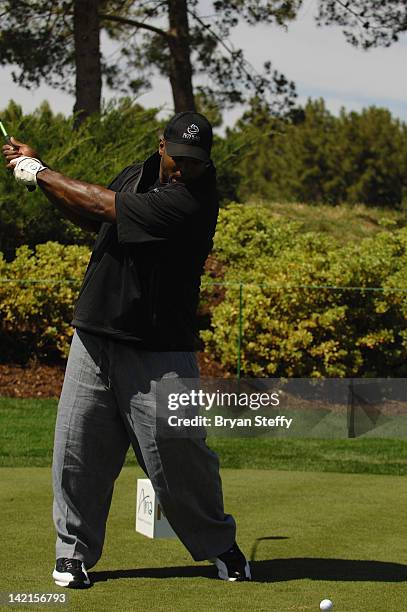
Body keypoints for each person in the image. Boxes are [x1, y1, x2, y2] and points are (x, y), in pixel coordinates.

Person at [2, 111, 251, 587]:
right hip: (94, 338)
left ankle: (219, 544)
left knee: (180, 460)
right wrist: (41, 176)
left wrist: (41, 172)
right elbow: (88, 215)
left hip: (161, 350)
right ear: (162, 147)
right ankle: (72, 553)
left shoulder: (193, 201)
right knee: (77, 454)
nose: (185, 168)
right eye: (179, 158)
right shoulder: (135, 176)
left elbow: (105, 207)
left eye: (195, 162)